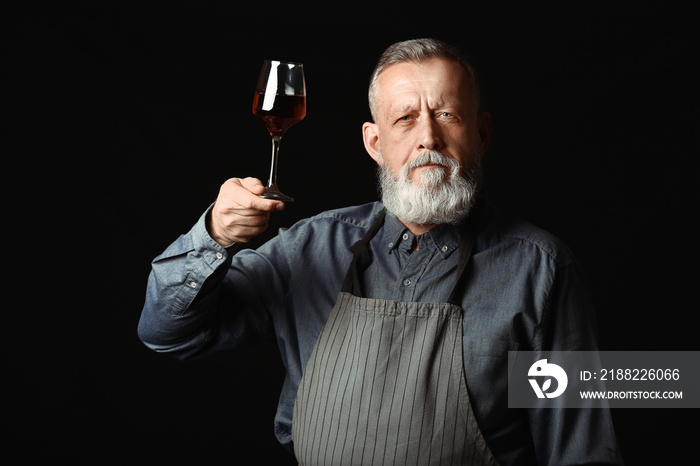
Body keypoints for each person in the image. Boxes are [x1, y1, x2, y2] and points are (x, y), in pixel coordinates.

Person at [139, 38, 623, 465]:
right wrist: (214, 236)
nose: (427, 138)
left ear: (481, 133)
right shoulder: (310, 247)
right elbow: (166, 333)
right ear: (375, 142)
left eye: (448, 114)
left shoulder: (542, 269)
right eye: (405, 118)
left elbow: (579, 447)